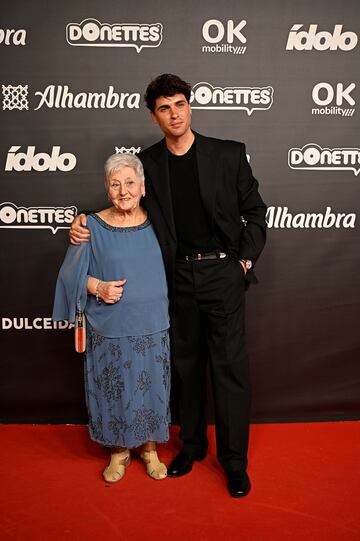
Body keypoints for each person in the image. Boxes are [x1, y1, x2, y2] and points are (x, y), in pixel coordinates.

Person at [70, 74, 267, 497]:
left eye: (180, 104)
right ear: (153, 115)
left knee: (229, 370)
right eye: (164, 107)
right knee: (186, 368)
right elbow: (123, 198)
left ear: (190, 106)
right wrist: (83, 219)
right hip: (175, 278)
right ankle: (191, 447)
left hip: (223, 273)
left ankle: (234, 462)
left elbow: (256, 214)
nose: (174, 113)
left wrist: (242, 263)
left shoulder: (228, 155)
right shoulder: (149, 165)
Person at [53, 153, 170, 483]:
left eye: (130, 183)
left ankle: (149, 450)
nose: (123, 191)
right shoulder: (91, 226)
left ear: (143, 187)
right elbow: (69, 276)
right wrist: (98, 286)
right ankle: (118, 452)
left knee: (151, 389)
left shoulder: (160, 223)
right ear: (107, 190)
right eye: (115, 184)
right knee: (114, 388)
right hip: (110, 326)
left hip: (153, 324)